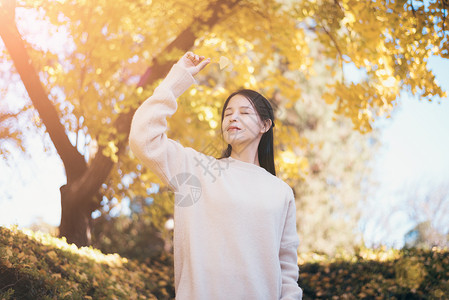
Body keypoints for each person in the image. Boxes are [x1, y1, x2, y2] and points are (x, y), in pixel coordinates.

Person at [129, 51, 303, 299]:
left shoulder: (281, 192)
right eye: (228, 113)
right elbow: (143, 138)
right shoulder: (195, 169)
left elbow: (287, 270)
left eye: (244, 112)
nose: (233, 117)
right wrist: (177, 79)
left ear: (265, 125)